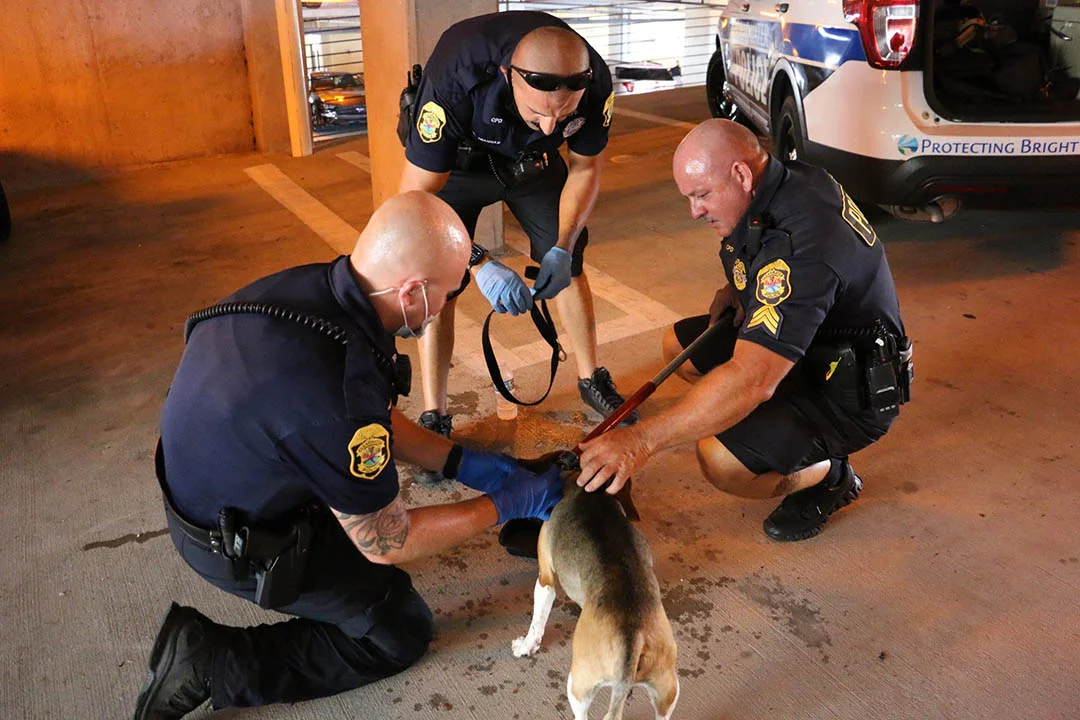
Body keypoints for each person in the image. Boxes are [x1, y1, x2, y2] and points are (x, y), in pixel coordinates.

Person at [133, 191, 562, 718]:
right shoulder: (336, 391)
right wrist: (502, 504)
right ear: (412, 292)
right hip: (234, 537)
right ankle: (211, 661)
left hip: (218, 473)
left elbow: (372, 415)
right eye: (450, 294)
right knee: (397, 629)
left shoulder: (321, 289)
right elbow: (386, 539)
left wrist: (461, 463)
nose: (451, 304)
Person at [577, 120, 911, 542]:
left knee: (721, 461)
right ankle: (770, 430)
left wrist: (641, 441)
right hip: (811, 347)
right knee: (678, 346)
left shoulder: (800, 246)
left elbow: (753, 377)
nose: (694, 211)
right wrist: (737, 291)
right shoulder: (783, 180)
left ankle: (831, 474)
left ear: (739, 174)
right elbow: (760, 254)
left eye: (702, 195)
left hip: (848, 387)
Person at [398, 11, 638, 448]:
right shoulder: (456, 74)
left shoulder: (596, 80)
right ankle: (435, 412)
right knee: (440, 280)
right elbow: (416, 201)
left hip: (534, 163)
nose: (551, 125)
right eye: (538, 112)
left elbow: (584, 169)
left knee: (571, 263)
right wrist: (477, 262)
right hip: (460, 166)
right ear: (508, 76)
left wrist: (562, 246)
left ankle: (591, 379)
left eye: (563, 115)